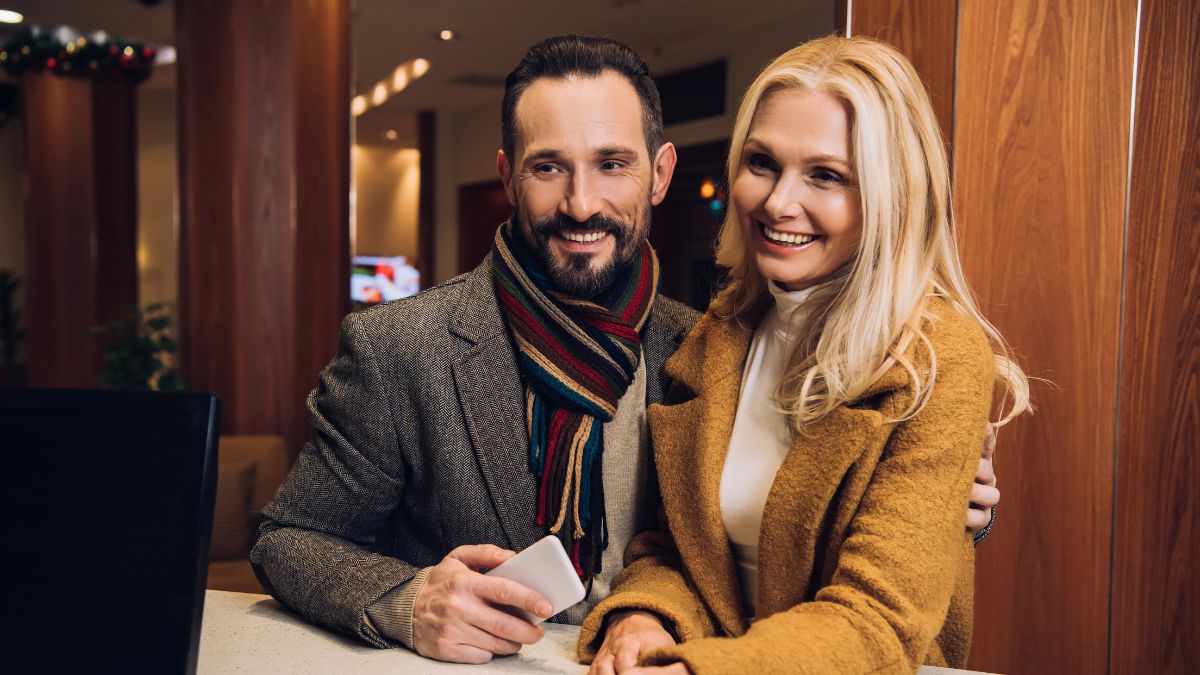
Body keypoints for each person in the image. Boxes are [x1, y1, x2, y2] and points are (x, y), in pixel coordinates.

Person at [250, 35, 1001, 666]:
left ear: (661, 173)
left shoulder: (691, 338)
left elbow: (816, 541)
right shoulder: (397, 347)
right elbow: (288, 538)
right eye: (549, 167)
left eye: (613, 163)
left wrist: (935, 503)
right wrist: (407, 600)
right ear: (509, 177)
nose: (582, 203)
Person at [580, 35, 1030, 674]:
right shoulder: (721, 331)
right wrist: (643, 615)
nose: (776, 202)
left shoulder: (941, 356)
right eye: (762, 162)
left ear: (889, 194)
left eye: (825, 175)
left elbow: (878, 619)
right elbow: (677, 553)